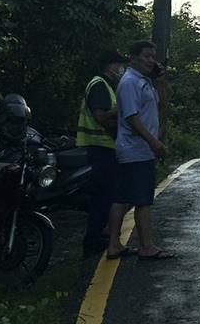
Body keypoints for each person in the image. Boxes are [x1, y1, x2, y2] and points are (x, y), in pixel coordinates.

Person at [106, 41, 175, 261]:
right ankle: (146, 246)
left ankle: (115, 244)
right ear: (132, 58)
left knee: (122, 197)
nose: (150, 61)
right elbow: (131, 117)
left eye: (153, 57)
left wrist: (161, 85)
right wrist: (154, 143)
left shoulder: (145, 82)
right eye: (146, 56)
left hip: (138, 149)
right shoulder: (129, 82)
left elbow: (160, 110)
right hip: (135, 150)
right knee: (143, 200)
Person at [76, 50, 126, 256]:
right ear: (110, 66)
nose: (120, 69)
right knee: (103, 196)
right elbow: (101, 116)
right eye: (118, 65)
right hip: (101, 146)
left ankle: (99, 234)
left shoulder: (105, 86)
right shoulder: (99, 85)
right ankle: (93, 239)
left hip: (105, 146)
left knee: (106, 194)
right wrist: (124, 108)